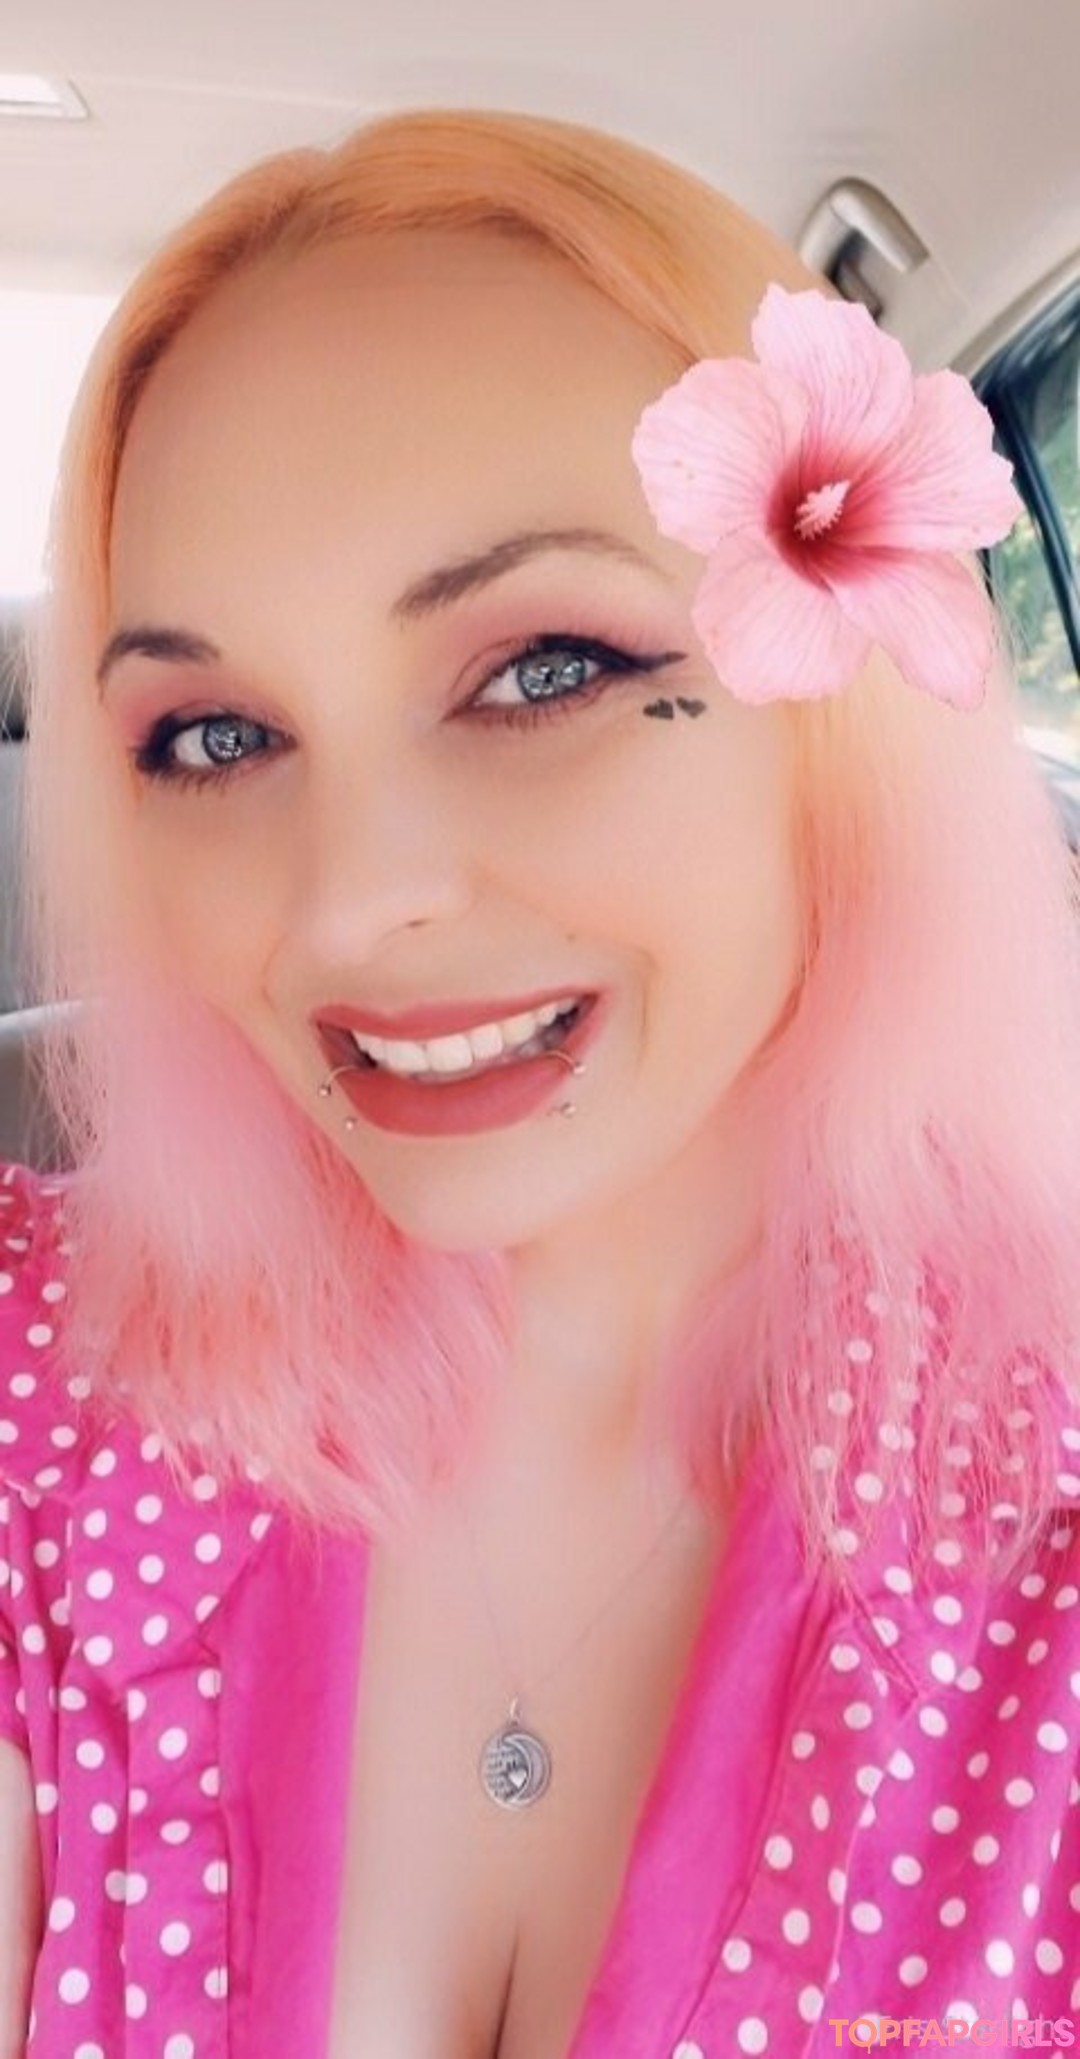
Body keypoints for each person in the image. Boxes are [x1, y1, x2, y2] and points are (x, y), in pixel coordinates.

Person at [2, 104, 1079, 2059]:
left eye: (544, 670)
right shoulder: (42, 1374)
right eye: (217, 734)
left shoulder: (1045, 1540)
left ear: (831, 707)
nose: (350, 904)